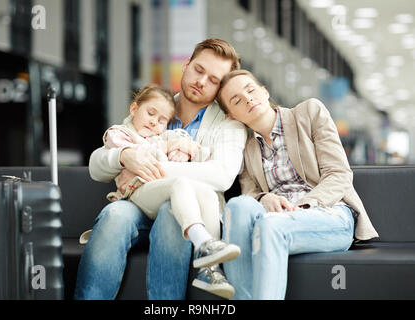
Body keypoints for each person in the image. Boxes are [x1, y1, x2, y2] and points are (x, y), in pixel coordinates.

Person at [74, 39, 247, 300]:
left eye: (213, 80)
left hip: (193, 213)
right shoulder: (156, 107)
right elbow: (99, 164)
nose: (201, 81)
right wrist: (125, 156)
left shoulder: (229, 123)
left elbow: (221, 176)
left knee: (170, 213)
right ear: (186, 65)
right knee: (114, 214)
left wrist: (151, 166)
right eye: (199, 70)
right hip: (138, 203)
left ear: (221, 87)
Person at [215, 69, 379, 300]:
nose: (248, 99)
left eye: (250, 90)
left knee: (271, 226)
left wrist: (302, 207)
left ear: (264, 91)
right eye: (237, 100)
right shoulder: (246, 146)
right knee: (237, 207)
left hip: (328, 213)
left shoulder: (309, 112)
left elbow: (339, 174)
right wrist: (264, 198)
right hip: (274, 217)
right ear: (232, 115)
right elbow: (250, 192)